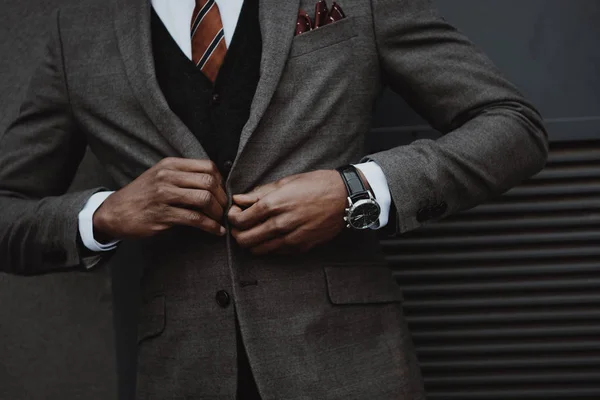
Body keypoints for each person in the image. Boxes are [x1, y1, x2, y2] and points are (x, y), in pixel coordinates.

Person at [0, 0, 548, 398]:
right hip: (180, 373)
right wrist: (106, 214)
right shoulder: (77, 30)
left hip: (351, 367)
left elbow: (512, 128)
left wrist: (356, 191)